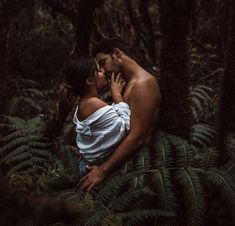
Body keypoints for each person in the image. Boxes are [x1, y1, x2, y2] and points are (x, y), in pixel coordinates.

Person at [79, 39, 161, 191]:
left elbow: (137, 137)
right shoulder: (126, 83)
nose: (102, 71)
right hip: (123, 169)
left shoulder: (144, 84)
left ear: (117, 54)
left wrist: (102, 171)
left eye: (103, 63)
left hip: (138, 172)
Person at [64, 56, 131, 175]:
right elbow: (125, 126)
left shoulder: (84, 103)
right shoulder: (93, 103)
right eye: (99, 71)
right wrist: (117, 96)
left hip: (87, 164)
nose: (103, 71)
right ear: (90, 80)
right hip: (95, 168)